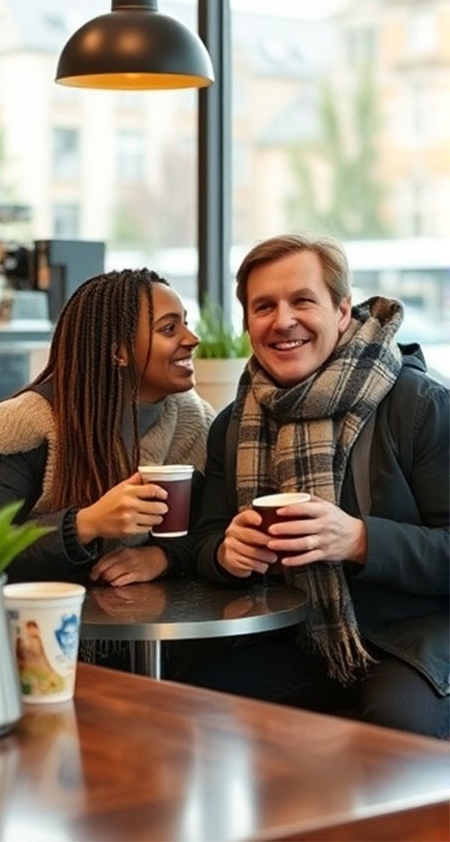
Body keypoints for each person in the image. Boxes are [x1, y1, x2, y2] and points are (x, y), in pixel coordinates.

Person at [179, 231, 449, 739]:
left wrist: (361, 540)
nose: (283, 321)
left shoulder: (420, 404)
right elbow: (206, 541)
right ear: (247, 323)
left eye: (303, 300)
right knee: (190, 708)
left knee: (395, 726)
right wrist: (224, 553)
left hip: (413, 638)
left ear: (342, 311)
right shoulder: (235, 423)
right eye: (264, 307)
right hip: (294, 636)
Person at [0, 268, 215, 591]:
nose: (192, 339)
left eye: (186, 322)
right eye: (169, 328)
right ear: (119, 352)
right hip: (43, 629)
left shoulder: (196, 422)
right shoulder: (26, 423)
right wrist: (86, 524)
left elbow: (213, 529)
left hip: (151, 627)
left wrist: (163, 557)